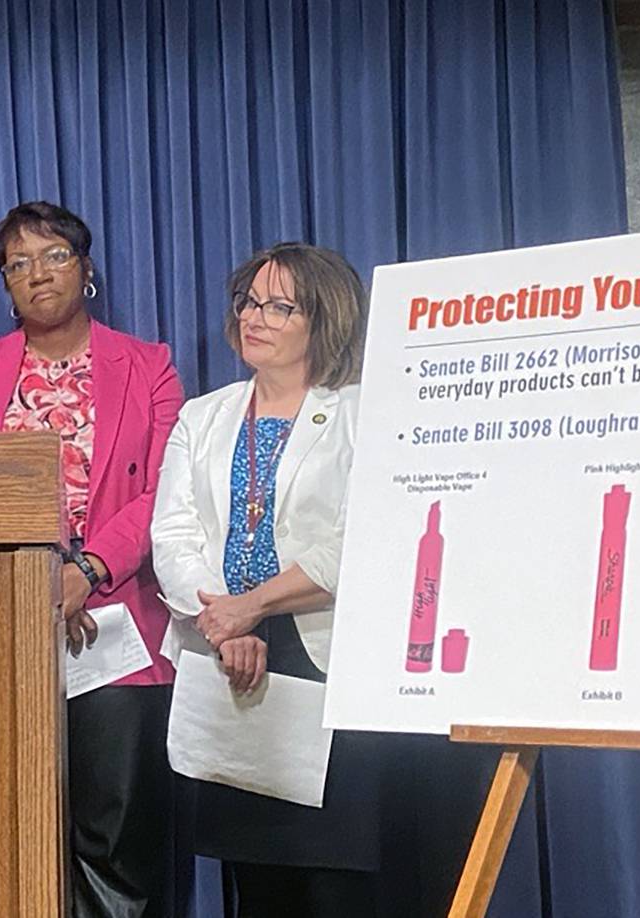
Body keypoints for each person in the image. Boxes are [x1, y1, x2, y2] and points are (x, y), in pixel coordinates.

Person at [0, 202, 184, 917]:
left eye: (54, 255)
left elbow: (165, 491)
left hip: (121, 630)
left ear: (86, 270)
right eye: (17, 264)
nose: (37, 274)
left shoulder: (148, 366)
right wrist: (32, 584)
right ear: (5, 286)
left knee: (117, 836)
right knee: (9, 830)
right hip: (8, 628)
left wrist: (85, 573)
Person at [151, 242, 375, 916]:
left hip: (326, 663)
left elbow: (359, 538)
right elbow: (173, 536)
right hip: (230, 664)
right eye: (251, 301)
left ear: (323, 320)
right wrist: (222, 623)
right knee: (258, 887)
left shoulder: (360, 413)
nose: (257, 317)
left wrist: (253, 607)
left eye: (281, 306)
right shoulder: (204, 416)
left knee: (335, 884)